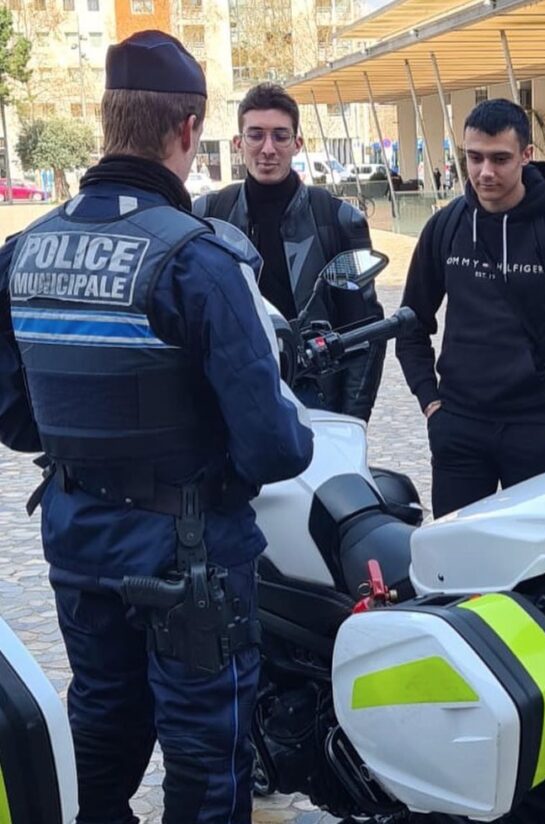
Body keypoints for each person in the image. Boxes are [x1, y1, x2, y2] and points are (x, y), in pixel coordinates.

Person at [0, 31, 313, 823]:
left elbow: (12, 416)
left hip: (79, 543)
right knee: (208, 764)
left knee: (101, 734)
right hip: (189, 561)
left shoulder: (25, 251)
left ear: (109, 122)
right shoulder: (196, 259)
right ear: (189, 129)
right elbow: (274, 446)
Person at [396, 98, 545, 517]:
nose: (485, 172)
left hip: (538, 431)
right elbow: (410, 326)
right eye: (474, 158)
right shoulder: (446, 226)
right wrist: (432, 406)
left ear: (526, 156)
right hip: (457, 427)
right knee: (458, 570)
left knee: (537, 571)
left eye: (500, 158)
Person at [194, 82, 384, 421]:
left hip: (314, 392)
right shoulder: (208, 215)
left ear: (297, 143)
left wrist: (353, 419)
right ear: (239, 143)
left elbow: (365, 329)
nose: (268, 148)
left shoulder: (337, 219)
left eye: (280, 136)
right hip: (227, 393)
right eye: (256, 135)